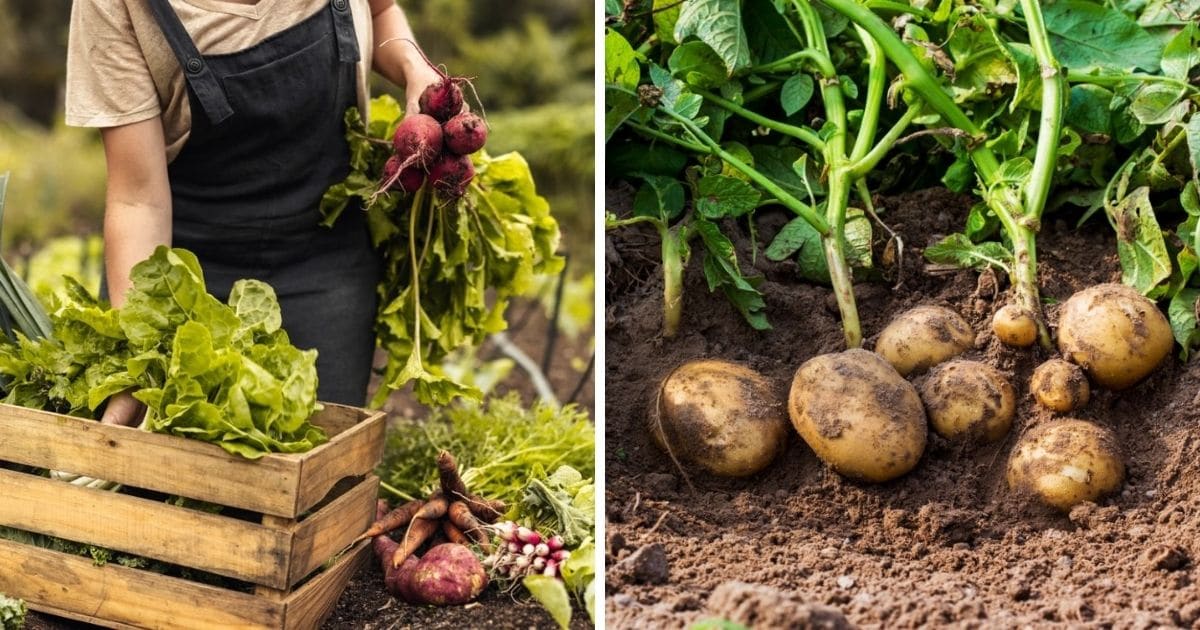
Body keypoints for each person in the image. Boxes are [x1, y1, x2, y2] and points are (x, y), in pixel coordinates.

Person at [65, 0, 440, 425]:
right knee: (160, 479)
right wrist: (139, 353)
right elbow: (138, 200)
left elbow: (379, 10)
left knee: (317, 471)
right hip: (187, 286)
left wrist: (414, 66)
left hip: (327, 266)